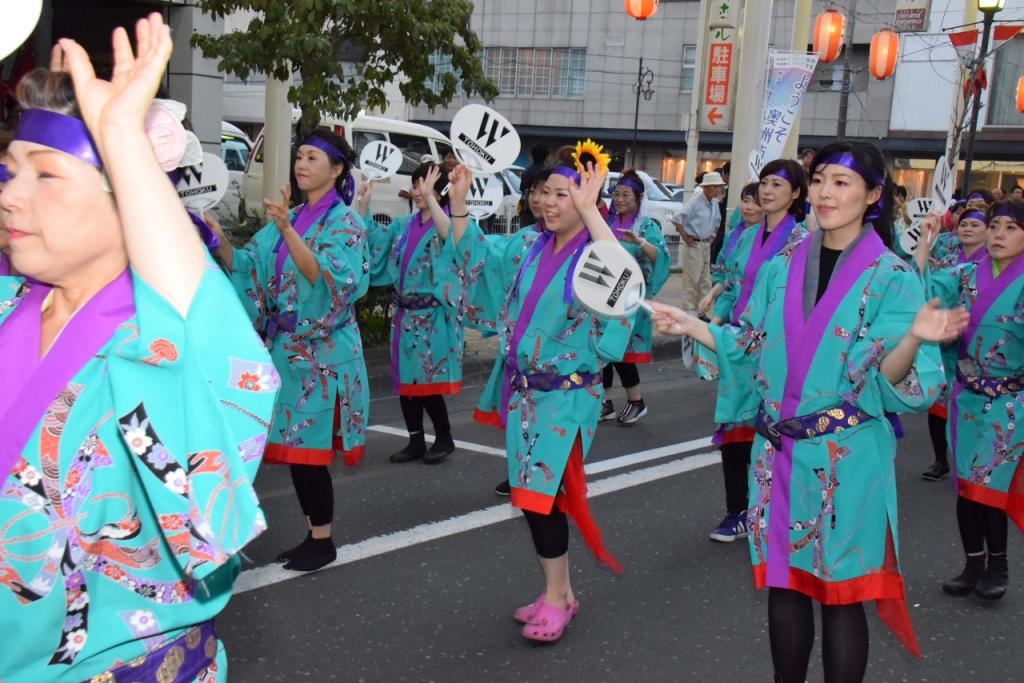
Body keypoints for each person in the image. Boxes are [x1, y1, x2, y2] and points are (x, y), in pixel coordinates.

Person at [0, 15, 277, 680]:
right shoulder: (8, 303)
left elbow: (208, 350)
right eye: (8, 172)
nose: (10, 195)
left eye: (46, 176)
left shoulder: (152, 347)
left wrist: (121, 135)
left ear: (128, 197)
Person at [650, 140, 967, 682]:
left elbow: (889, 378)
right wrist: (692, 325)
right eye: (819, 179)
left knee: (841, 594)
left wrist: (914, 338)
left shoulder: (892, 275)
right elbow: (749, 344)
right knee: (785, 583)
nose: (825, 191)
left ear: (872, 197)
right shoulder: (782, 267)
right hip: (777, 455)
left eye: (842, 183)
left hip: (847, 458)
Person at [446, 144, 631, 643]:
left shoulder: (602, 253)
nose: (549, 203)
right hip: (526, 393)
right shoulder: (528, 244)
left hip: (566, 396)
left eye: (563, 194)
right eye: (544, 193)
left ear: (588, 196)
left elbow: (622, 299)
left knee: (540, 499)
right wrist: (459, 203)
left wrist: (594, 217)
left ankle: (558, 599)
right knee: (534, 500)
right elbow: (476, 261)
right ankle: (560, 592)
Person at [210, 126, 368, 572]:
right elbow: (251, 267)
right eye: (300, 155)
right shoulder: (291, 216)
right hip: (286, 355)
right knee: (297, 453)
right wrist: (219, 237)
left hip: (324, 358)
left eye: (313, 158)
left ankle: (323, 540)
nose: (302, 164)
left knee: (310, 455)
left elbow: (329, 280)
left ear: (337, 171)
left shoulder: (346, 224)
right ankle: (313, 534)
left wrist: (286, 229)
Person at [696, 160, 809, 544]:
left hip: (779, 348)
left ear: (796, 194)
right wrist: (715, 318)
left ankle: (774, 508)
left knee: (777, 429)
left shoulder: (805, 241)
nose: (767, 190)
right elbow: (730, 280)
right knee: (734, 425)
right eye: (764, 183)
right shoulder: (745, 236)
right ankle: (737, 511)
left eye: (778, 184)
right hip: (741, 345)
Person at [917, 200, 1024, 601]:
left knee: (987, 488)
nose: (998, 234)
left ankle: (999, 565)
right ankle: (972, 564)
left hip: (1010, 403)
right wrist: (924, 246)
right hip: (966, 397)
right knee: (966, 486)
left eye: (1011, 228)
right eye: (995, 226)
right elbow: (924, 291)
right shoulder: (963, 275)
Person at [361, 162, 467, 465]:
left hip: (431, 317)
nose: (419, 190)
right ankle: (416, 439)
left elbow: (453, 242)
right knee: (407, 383)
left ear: (440, 190)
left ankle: (444, 437)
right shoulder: (405, 224)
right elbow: (375, 241)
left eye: (427, 185)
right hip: (405, 315)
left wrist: (434, 200)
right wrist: (364, 206)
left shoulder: (446, 223)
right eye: (417, 183)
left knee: (427, 383)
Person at [917, 206, 989, 483]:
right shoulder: (952, 263)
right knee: (939, 408)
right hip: (946, 349)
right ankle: (940, 459)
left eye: (976, 225)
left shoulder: (992, 266)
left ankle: (976, 466)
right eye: (964, 224)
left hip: (978, 350)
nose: (968, 229)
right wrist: (925, 243)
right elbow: (925, 286)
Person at [600, 169, 671, 425]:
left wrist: (640, 242)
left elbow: (662, 258)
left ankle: (636, 400)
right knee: (603, 347)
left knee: (619, 350)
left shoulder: (647, 226)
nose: (619, 199)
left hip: (630, 298)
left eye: (625, 194)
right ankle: (605, 402)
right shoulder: (606, 223)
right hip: (605, 295)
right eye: (616, 194)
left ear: (639, 198)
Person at [672, 171, 725, 314]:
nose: (718, 190)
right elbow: (677, 218)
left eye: (718, 187)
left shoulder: (713, 202)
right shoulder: (696, 201)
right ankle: (688, 313)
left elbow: (717, 220)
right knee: (691, 281)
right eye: (715, 187)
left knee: (705, 281)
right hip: (694, 244)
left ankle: (702, 313)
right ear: (706, 187)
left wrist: (712, 235)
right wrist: (685, 236)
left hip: (706, 243)